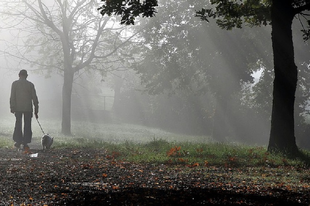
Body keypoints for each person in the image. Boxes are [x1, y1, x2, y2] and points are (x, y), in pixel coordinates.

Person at [10, 70, 39, 150]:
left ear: (19, 75)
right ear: (27, 76)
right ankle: (26, 142)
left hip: (18, 108)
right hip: (28, 108)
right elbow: (34, 98)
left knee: (18, 124)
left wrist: (12, 107)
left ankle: (18, 141)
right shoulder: (30, 85)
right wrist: (36, 110)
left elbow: (12, 96)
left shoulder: (15, 84)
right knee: (27, 125)